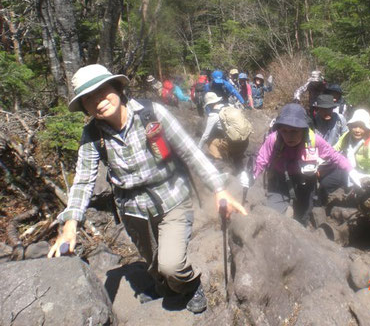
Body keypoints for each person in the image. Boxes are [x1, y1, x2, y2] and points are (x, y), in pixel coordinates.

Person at [48, 64, 246, 314]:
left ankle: (191, 284)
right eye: (88, 98)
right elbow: (83, 181)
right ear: (84, 107)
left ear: (117, 88)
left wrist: (218, 187)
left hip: (171, 196)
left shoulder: (151, 113)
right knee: (153, 263)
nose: (98, 101)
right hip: (132, 210)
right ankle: (166, 287)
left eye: (102, 91)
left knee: (171, 264)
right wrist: (70, 224)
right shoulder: (92, 136)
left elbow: (189, 151)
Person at [253, 103, 369, 226]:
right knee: (273, 214)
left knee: (302, 217)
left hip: (305, 180)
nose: (289, 136)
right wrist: (252, 176)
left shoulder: (314, 140)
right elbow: (261, 160)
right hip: (279, 180)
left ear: (303, 129)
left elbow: (334, 156)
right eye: (284, 131)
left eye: (294, 131)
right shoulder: (273, 139)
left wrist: (351, 171)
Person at [198, 92, 250, 175]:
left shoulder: (213, 115)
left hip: (234, 145)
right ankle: (237, 159)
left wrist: (198, 148)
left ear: (209, 104)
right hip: (245, 141)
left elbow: (205, 135)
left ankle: (220, 161)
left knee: (210, 141)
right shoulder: (229, 106)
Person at [334, 109, 370, 173]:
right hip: (347, 169)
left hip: (364, 173)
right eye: (355, 126)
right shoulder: (347, 136)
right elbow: (334, 149)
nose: (357, 130)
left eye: (361, 127)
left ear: (366, 129)